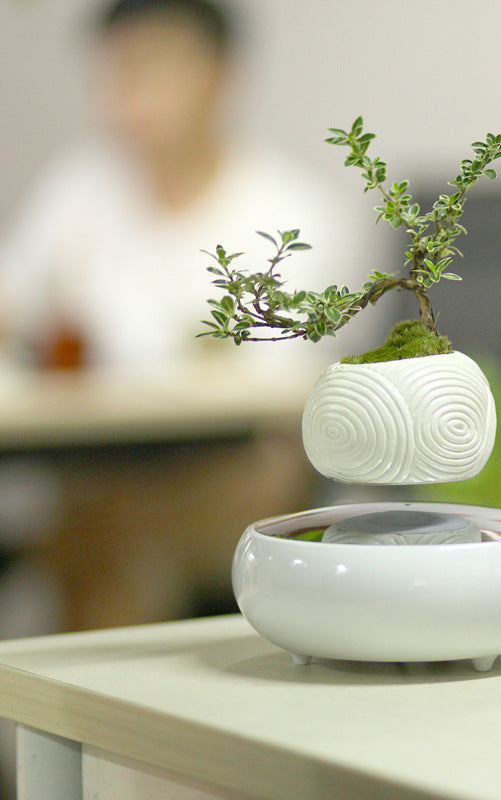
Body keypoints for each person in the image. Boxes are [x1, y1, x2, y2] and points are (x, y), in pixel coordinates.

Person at [0, 0, 367, 632]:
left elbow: (280, 391)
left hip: (235, 472)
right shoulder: (84, 187)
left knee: (104, 533)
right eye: (115, 74)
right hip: (98, 465)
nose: (128, 98)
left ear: (220, 76)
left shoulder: (292, 212)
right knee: (94, 523)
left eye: (150, 70)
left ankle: (92, 715)